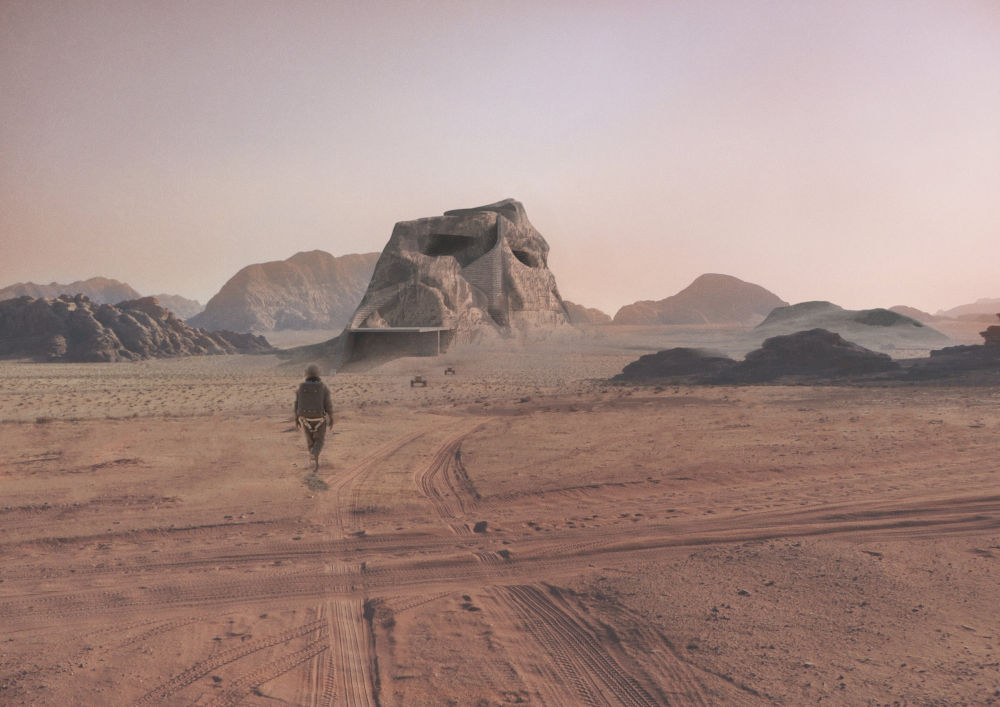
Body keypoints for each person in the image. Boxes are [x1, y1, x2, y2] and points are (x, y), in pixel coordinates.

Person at [294, 364, 333, 471]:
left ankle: (314, 462)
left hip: (304, 418)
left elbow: (296, 404)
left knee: (310, 441)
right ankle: (314, 455)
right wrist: (331, 418)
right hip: (319, 419)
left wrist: (296, 419)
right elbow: (328, 404)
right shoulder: (323, 387)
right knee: (319, 440)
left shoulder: (301, 387)